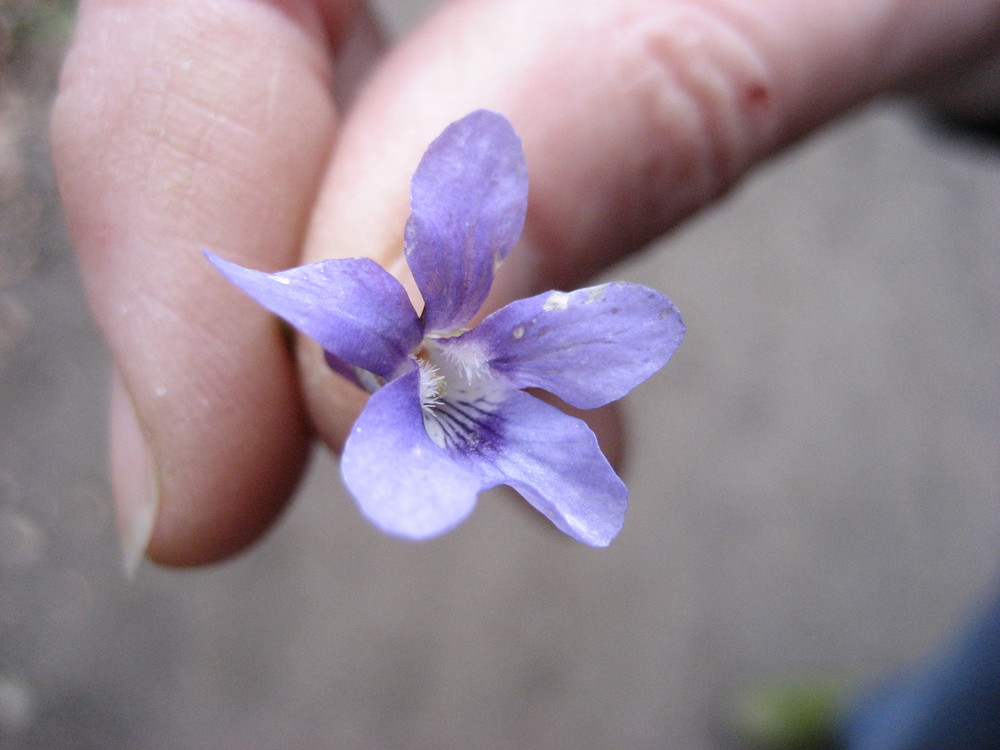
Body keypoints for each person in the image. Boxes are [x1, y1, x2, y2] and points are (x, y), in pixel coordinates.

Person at [50, 1, 999, 745]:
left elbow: (595, 318)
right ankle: (890, 728)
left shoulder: (442, 342)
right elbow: (342, 301)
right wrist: (266, 285)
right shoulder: (385, 335)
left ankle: (891, 730)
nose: (438, 360)